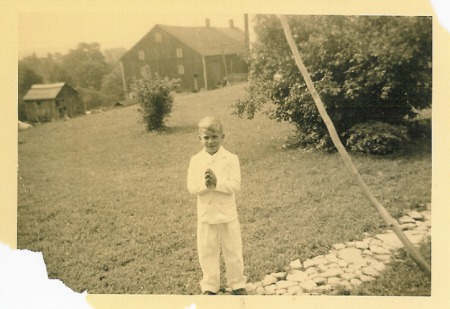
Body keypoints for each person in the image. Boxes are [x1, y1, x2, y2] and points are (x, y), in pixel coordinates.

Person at [187, 116, 247, 295]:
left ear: (223, 137)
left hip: (227, 213)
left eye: (214, 137)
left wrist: (217, 183)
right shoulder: (196, 160)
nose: (210, 141)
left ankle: (237, 283)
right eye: (206, 137)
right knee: (207, 251)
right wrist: (206, 186)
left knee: (233, 250)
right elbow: (191, 187)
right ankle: (210, 285)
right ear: (200, 139)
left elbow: (235, 185)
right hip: (206, 214)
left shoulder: (231, 158)